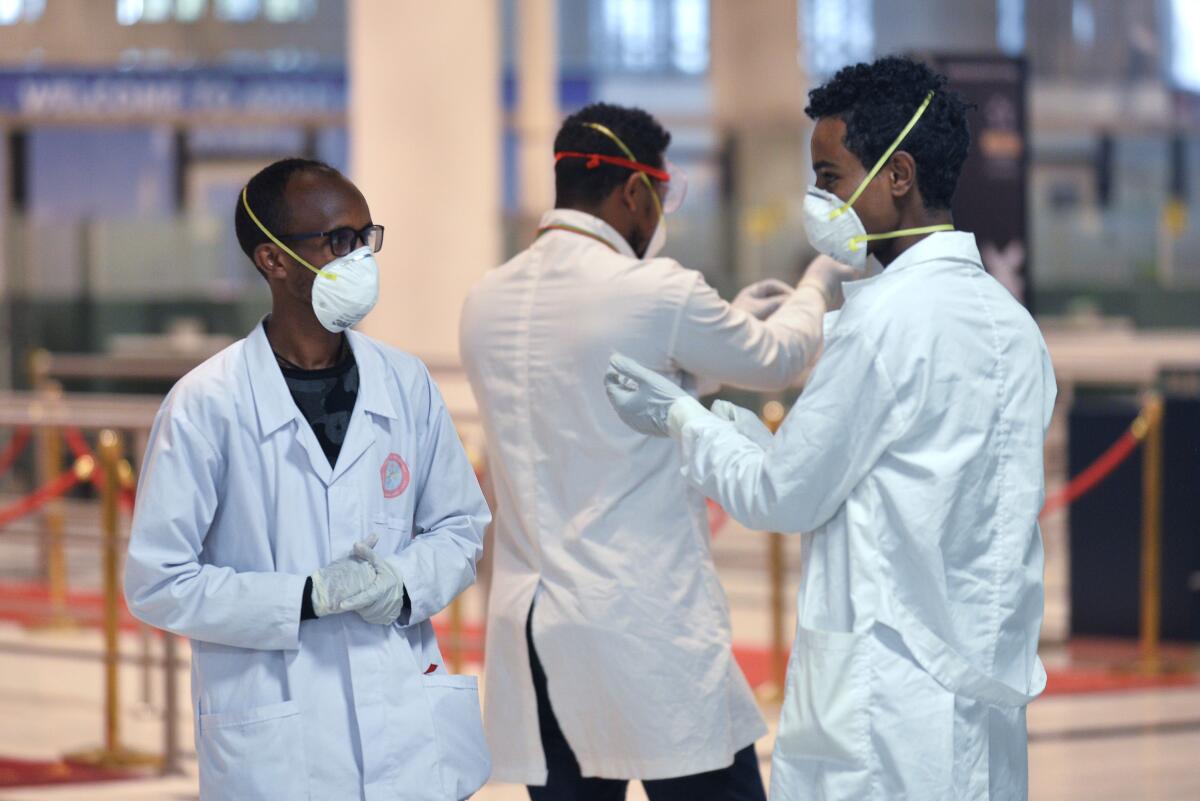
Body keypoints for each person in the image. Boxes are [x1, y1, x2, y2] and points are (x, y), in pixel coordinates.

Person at [607, 56, 1055, 801]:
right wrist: (726, 424)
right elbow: (850, 469)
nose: (818, 201)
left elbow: (782, 494)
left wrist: (679, 417)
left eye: (830, 176)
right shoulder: (1012, 325)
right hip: (976, 691)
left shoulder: (884, 323)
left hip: (882, 697)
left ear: (898, 174)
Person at [460, 102, 855, 800]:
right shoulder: (654, 288)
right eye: (663, 195)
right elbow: (778, 359)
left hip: (532, 627)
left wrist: (725, 322)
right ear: (634, 191)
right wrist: (815, 286)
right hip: (643, 623)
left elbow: (606, 387)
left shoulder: (485, 299)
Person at [124, 158, 491, 801]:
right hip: (277, 742)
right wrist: (302, 598)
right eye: (338, 241)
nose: (360, 258)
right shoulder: (207, 404)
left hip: (402, 731)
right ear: (273, 260)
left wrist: (402, 584)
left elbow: (461, 527)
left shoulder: (404, 384)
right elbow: (158, 581)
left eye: (365, 237)